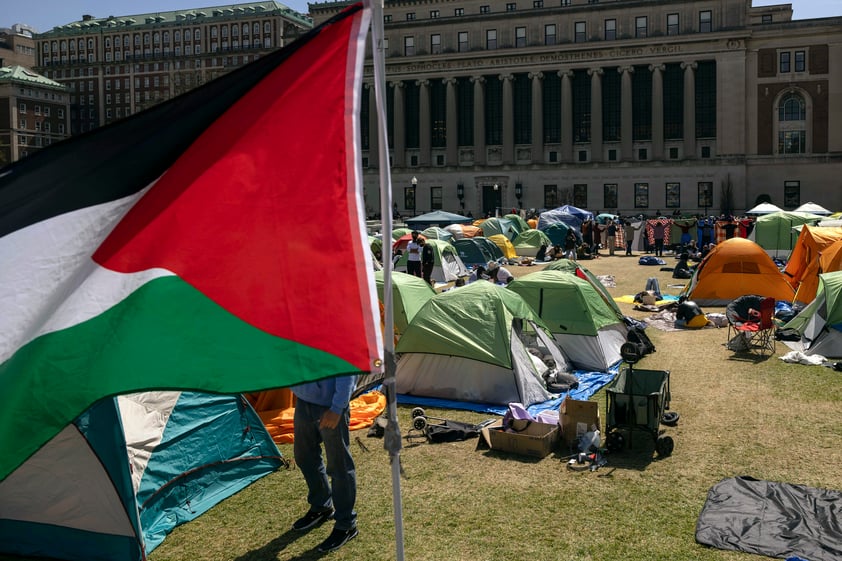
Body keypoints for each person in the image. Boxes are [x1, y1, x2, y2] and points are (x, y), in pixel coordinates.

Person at [290, 375, 359, 552]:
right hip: (304, 401)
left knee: (339, 466)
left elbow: (346, 367)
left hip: (331, 404)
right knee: (304, 456)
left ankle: (346, 525)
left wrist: (337, 408)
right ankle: (321, 505)